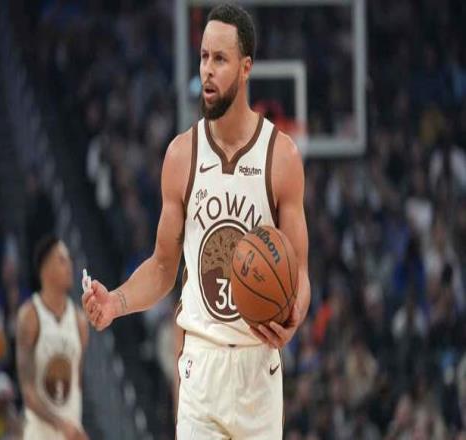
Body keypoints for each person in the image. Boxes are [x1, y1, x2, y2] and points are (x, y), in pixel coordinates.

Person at [82, 3, 310, 438]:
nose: (207, 69)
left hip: (258, 367)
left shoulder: (281, 157)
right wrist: (116, 302)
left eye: (220, 59)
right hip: (201, 365)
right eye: (204, 56)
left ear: (246, 68)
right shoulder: (181, 155)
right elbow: (162, 268)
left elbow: (299, 272)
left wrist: (294, 311)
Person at [16, 236, 89, 440]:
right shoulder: (30, 316)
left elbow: (76, 387)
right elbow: (28, 392)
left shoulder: (80, 321)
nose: (69, 266)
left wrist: (75, 427)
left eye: (69, 260)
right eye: (62, 260)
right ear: (45, 269)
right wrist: (59, 424)